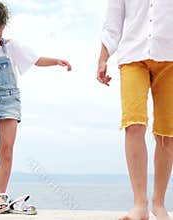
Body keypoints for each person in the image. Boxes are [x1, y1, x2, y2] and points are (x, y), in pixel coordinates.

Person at [0, 1, 71, 214]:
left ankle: (0, 199)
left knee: (6, 149)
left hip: (10, 100)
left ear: (3, 29)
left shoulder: (11, 46)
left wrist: (57, 61)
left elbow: (36, 59)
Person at [97, 0, 173, 219]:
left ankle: (158, 203)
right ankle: (140, 204)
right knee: (133, 124)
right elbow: (113, 23)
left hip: (170, 57)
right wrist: (103, 58)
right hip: (132, 56)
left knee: (167, 135)